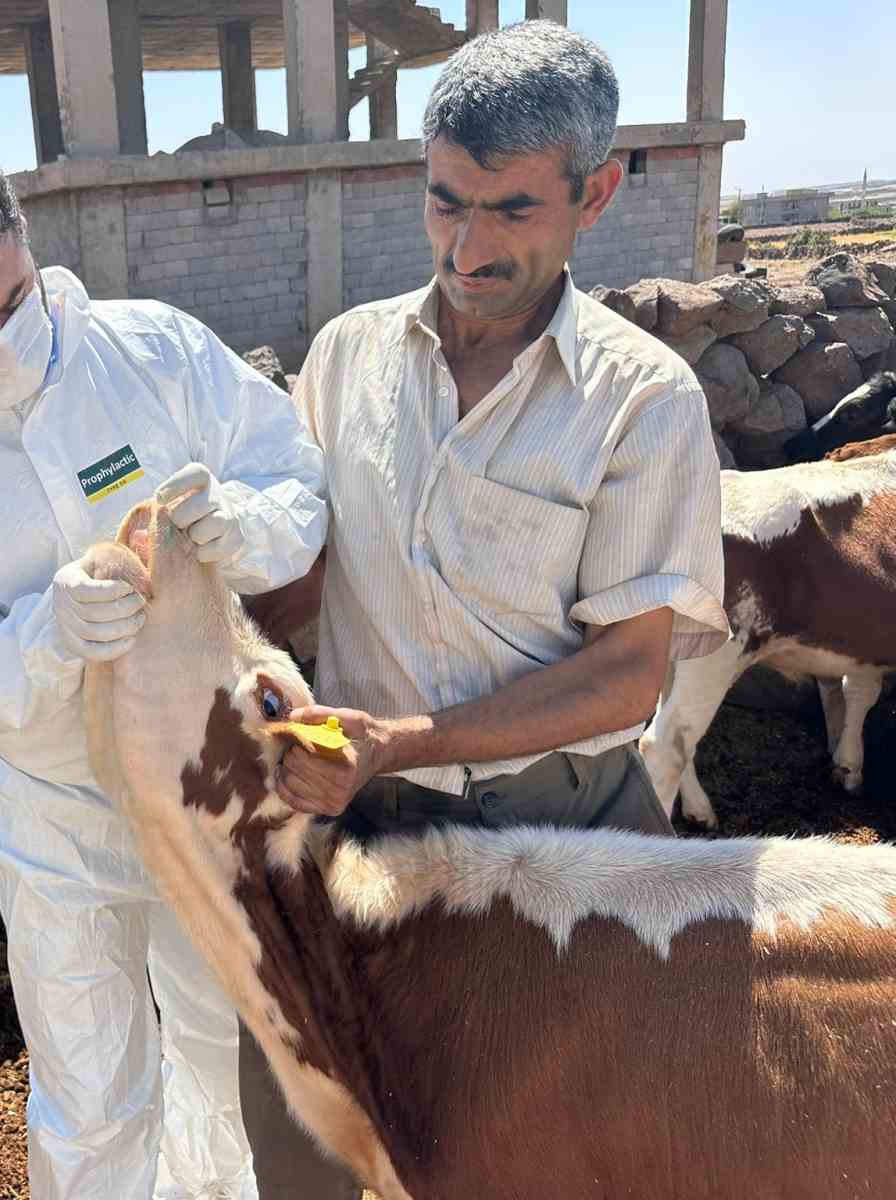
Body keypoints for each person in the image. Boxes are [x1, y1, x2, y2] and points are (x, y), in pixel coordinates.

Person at [240, 20, 729, 1192]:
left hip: (560, 842)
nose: (466, 246)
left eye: (509, 210)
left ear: (595, 193)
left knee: (556, 1156)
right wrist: (225, 598)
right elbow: (298, 588)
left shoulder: (641, 401)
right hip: (359, 825)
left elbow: (626, 676)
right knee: (304, 1137)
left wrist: (406, 740)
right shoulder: (347, 358)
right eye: (443, 201)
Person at [0, 124, 328, 1200]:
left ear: (24, 237)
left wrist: (246, 526)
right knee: (92, 1094)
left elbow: (293, 480)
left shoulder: (152, 352)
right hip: (57, 816)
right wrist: (45, 636)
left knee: (227, 1055)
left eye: (10, 303)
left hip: (212, 789)